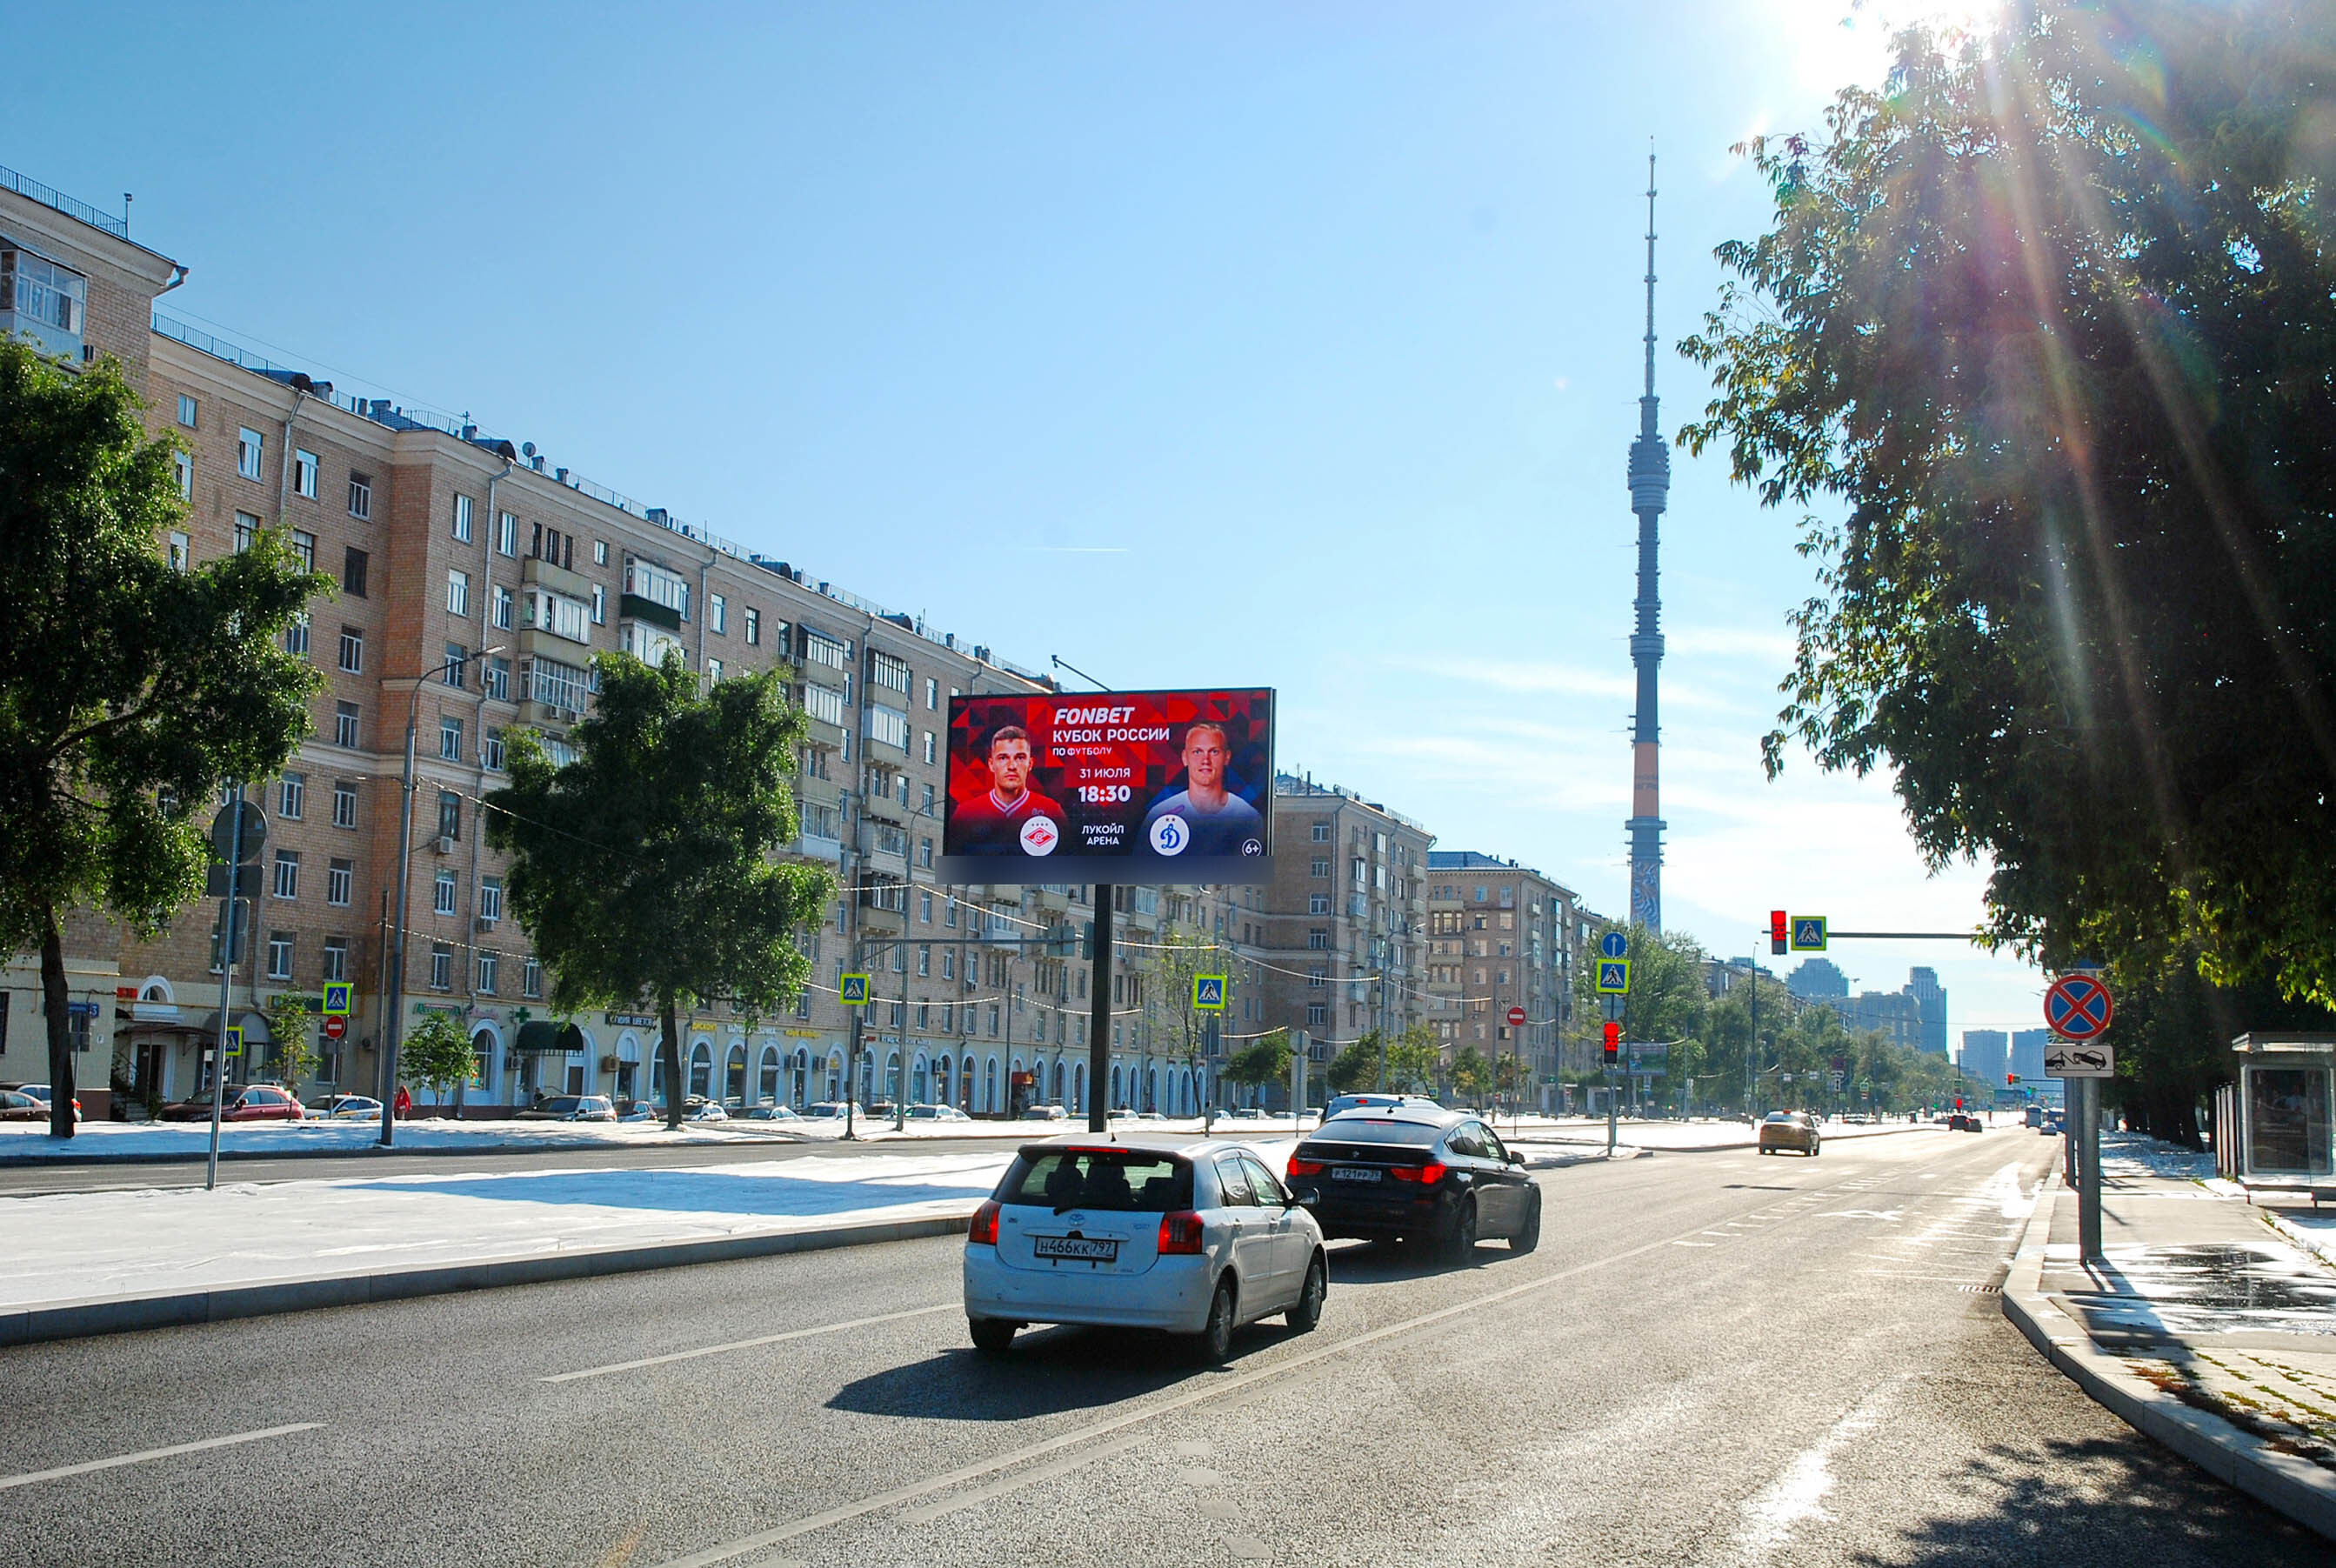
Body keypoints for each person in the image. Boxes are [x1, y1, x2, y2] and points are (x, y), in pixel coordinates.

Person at [1141, 722, 1265, 855]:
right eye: (1197, 752)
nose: (1205, 760)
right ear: (1184, 758)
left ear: (1227, 757)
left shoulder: (1248, 817)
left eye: (1214, 752)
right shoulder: (1160, 814)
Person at [951, 724, 1067, 855]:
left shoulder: (1052, 811)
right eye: (1003, 758)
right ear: (991, 764)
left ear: (1030, 764)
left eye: (1020, 758)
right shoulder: (965, 813)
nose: (1012, 766)